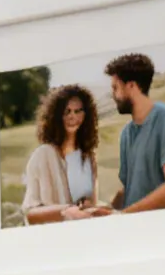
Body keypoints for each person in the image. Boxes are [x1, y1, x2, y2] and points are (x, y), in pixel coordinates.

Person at [106, 53, 165, 212]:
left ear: (131, 86)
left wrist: (124, 215)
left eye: (115, 88)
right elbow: (129, 188)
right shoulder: (126, 134)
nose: (113, 95)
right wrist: (106, 211)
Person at [20, 84, 103, 225]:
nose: (73, 116)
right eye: (67, 112)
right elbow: (30, 214)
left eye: (78, 111)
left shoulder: (89, 157)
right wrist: (66, 211)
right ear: (56, 116)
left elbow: (92, 203)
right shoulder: (43, 155)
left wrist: (91, 207)